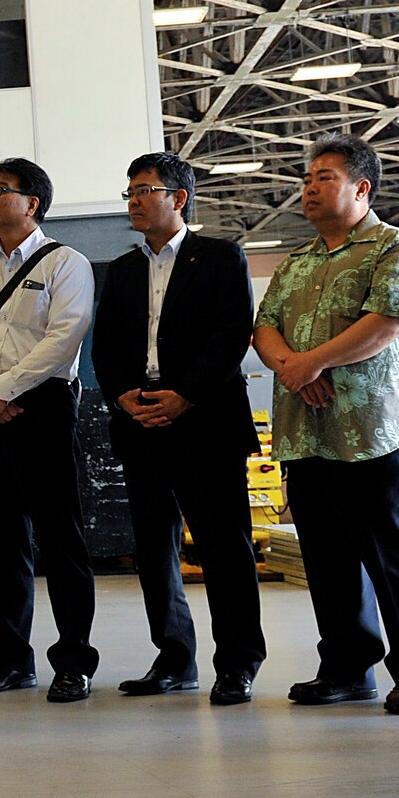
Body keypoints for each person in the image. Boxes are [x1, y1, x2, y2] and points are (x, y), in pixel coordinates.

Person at [253, 136, 399, 715]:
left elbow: (387, 322)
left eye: (325, 177)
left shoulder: (394, 248)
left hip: (374, 433)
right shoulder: (296, 260)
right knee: (328, 561)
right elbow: (264, 328)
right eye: (307, 178)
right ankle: (346, 667)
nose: (309, 187)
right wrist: (290, 365)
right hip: (305, 433)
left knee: (398, 559)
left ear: (362, 188)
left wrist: (312, 361)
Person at [91, 152, 266, 707]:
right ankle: (174, 658)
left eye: (145, 190)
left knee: (224, 547)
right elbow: (106, 346)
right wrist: (123, 396)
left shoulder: (219, 257)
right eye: (130, 192)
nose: (135, 201)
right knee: (153, 547)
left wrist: (184, 396)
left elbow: (231, 333)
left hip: (204, 420)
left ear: (178, 198)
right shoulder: (121, 269)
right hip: (140, 420)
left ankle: (237, 663)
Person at [0, 158, 98, 702]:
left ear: (32, 203)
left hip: (45, 408)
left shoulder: (67, 264)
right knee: (2, 540)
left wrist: (3, 390)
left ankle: (74, 663)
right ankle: (10, 659)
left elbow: (65, 337)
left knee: (62, 539)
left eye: (1, 190)